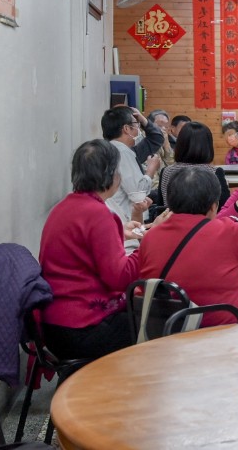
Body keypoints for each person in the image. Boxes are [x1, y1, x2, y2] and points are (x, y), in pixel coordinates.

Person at [138, 166, 238, 326]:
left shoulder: (150, 236)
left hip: (166, 331)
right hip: (222, 332)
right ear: (214, 206)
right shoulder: (228, 231)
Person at [38, 140, 144, 359]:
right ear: (111, 175)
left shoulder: (64, 207)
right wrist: (149, 245)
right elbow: (119, 277)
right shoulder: (98, 215)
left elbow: (80, 244)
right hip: (82, 328)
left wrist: (119, 232)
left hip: (55, 323)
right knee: (154, 324)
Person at [101, 106, 161, 222]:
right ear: (127, 129)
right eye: (136, 124)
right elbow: (137, 194)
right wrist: (150, 170)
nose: (139, 128)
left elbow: (156, 139)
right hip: (124, 219)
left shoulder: (109, 149)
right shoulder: (122, 152)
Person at [157, 121, 230, 210]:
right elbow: (224, 207)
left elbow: (160, 206)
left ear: (180, 144)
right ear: (208, 146)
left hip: (171, 221)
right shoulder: (214, 172)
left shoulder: (166, 171)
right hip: (206, 223)